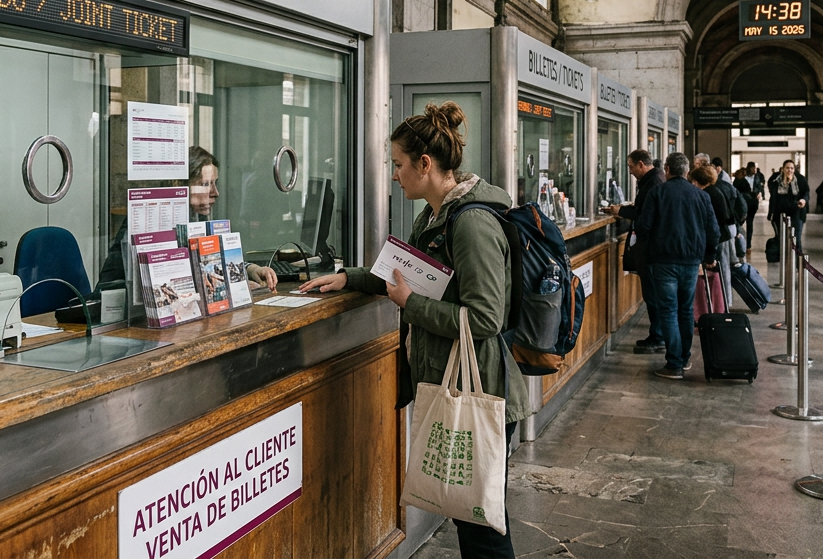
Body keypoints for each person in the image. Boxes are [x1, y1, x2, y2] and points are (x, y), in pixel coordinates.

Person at [300, 101, 528, 555]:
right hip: (459, 382)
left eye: (399, 164)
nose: (394, 174)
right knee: (472, 523)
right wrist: (352, 277)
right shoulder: (434, 215)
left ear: (425, 164)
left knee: (482, 530)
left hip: (481, 389)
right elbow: (411, 272)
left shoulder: (472, 224)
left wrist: (411, 305)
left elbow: (485, 318)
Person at [99, 145, 278, 290]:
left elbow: (210, 261)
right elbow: (112, 283)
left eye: (214, 183)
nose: (215, 193)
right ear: (181, 186)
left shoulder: (196, 218)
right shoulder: (150, 221)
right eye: (205, 184)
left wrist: (250, 269)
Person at [636, 153, 721, 380]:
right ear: (686, 171)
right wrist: (709, 256)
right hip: (692, 262)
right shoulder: (701, 196)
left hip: (664, 261)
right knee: (685, 311)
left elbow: (643, 227)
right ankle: (684, 358)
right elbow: (714, 231)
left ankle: (673, 364)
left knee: (668, 311)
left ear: (667, 169)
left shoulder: (657, 192)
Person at [605, 150, 666, 354]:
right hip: (650, 249)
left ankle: (658, 336)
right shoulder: (653, 180)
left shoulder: (653, 183)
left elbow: (645, 216)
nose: (629, 171)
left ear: (641, 164)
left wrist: (621, 211)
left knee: (653, 295)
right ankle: (657, 334)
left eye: (631, 167)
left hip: (650, 249)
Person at [690, 165, 739, 306]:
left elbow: (716, 219)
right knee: (722, 271)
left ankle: (721, 303)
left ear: (698, 181)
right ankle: (723, 303)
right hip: (723, 235)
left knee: (720, 272)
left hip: (719, 238)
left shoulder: (708, 194)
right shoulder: (716, 190)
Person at [767, 159, 810, 252]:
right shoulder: (776, 181)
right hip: (780, 212)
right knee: (782, 238)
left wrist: (804, 200)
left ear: (794, 169)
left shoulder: (800, 179)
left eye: (791, 168)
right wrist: (771, 213)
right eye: (787, 168)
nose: (789, 170)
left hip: (797, 211)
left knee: (796, 238)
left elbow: (806, 192)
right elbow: (774, 197)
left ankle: (798, 261)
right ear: (783, 169)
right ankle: (785, 259)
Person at [736, 162, 765, 243]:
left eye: (755, 168)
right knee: (740, 221)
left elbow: (759, 187)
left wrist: (759, 193)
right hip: (743, 202)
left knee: (750, 223)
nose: (755, 170)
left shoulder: (757, 177)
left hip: (753, 202)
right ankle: (739, 241)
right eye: (753, 168)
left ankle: (748, 244)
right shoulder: (742, 177)